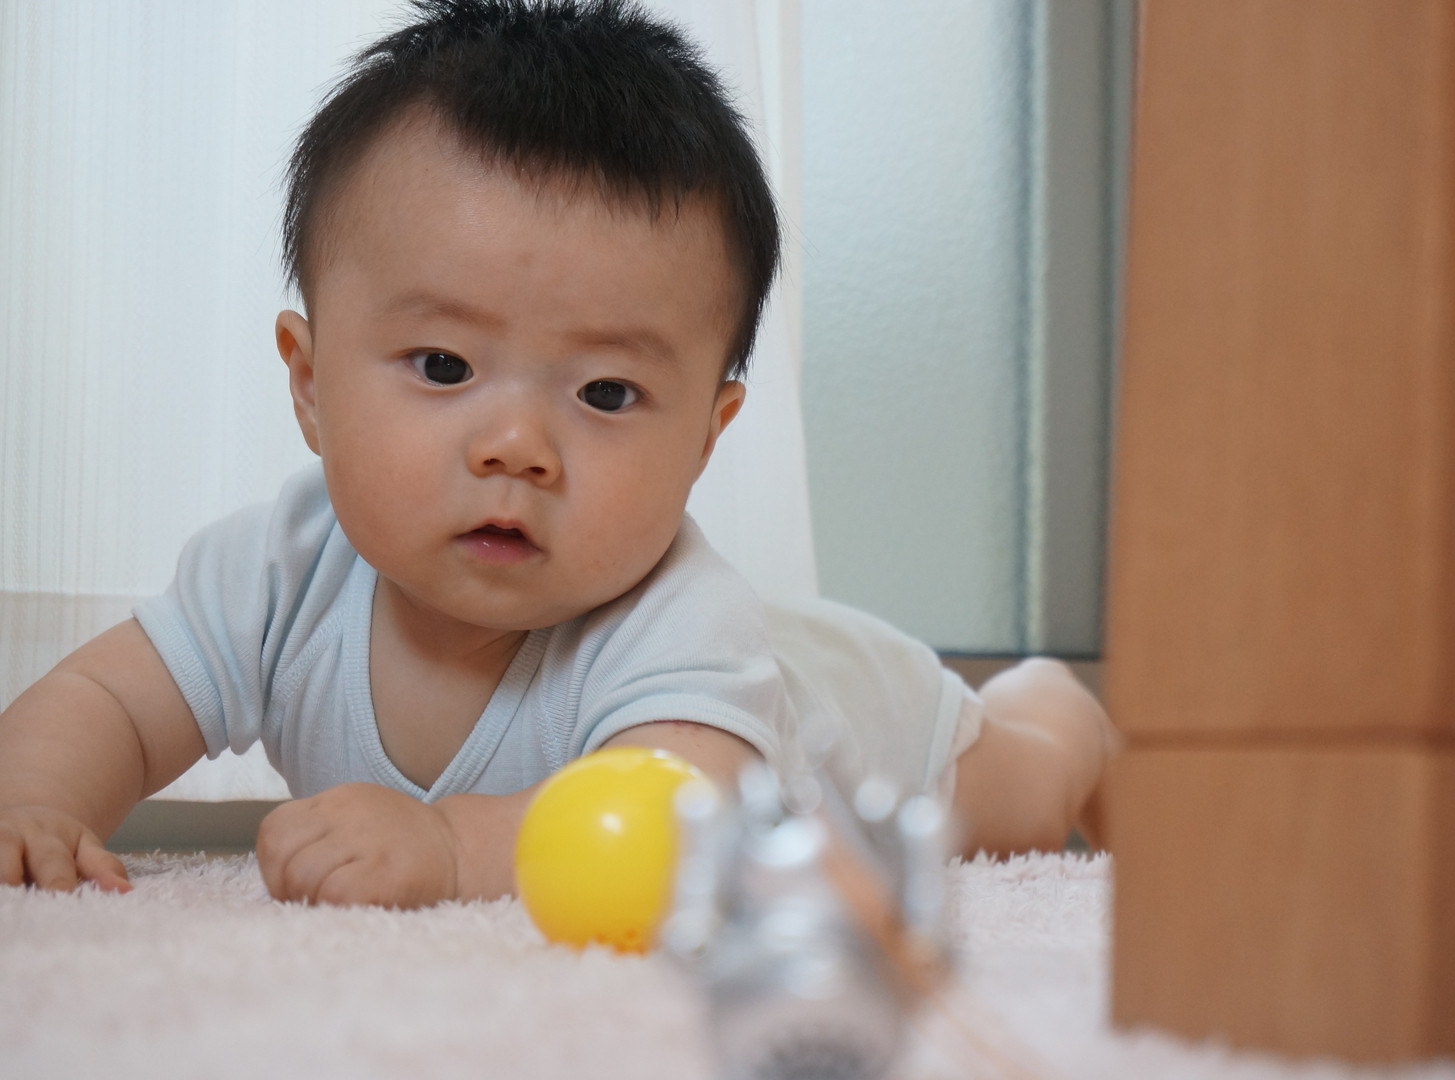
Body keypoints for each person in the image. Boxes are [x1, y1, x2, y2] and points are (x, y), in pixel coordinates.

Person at [0, 0, 1115, 908]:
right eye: (444, 366)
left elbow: (688, 829)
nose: (517, 447)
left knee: (1013, 798)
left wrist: (454, 848)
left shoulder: (677, 620)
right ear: (309, 383)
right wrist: (35, 801)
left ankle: (1055, 711)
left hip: (862, 725)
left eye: (606, 393)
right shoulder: (279, 573)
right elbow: (111, 698)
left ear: (705, 436)